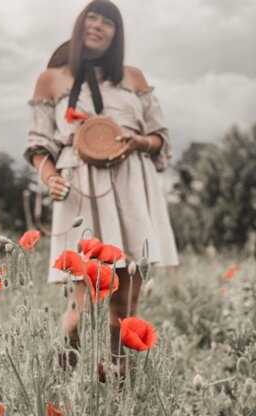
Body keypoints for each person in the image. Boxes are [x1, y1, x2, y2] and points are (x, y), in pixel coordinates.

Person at [23, 0, 179, 375]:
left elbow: (160, 137)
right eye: (91, 17)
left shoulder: (134, 77)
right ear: (80, 24)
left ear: (116, 33)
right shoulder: (52, 79)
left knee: (125, 302)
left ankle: (118, 382)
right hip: (80, 189)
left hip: (131, 185)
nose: (98, 25)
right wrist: (50, 178)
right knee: (84, 300)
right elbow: (38, 145)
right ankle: (67, 384)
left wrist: (138, 141)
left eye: (107, 21)